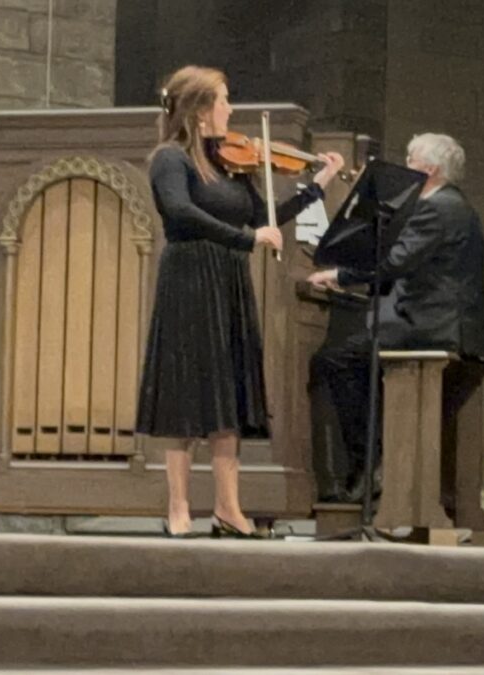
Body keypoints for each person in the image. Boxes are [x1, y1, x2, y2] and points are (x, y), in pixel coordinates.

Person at [137, 65, 345, 537]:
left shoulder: (231, 164)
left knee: (227, 394)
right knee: (188, 395)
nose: (231, 109)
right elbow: (180, 211)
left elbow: (267, 216)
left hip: (228, 279)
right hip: (189, 278)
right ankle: (178, 509)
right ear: (200, 109)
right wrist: (246, 238)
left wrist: (320, 184)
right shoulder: (171, 160)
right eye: (224, 100)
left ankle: (229, 508)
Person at [307, 133, 484, 509]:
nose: (405, 168)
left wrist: (338, 275)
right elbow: (412, 267)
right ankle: (376, 457)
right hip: (443, 326)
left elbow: (394, 262)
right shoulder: (456, 206)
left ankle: (370, 460)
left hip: (432, 330)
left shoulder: (436, 207)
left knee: (336, 361)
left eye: (410, 160)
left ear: (429, 170)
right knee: (360, 359)